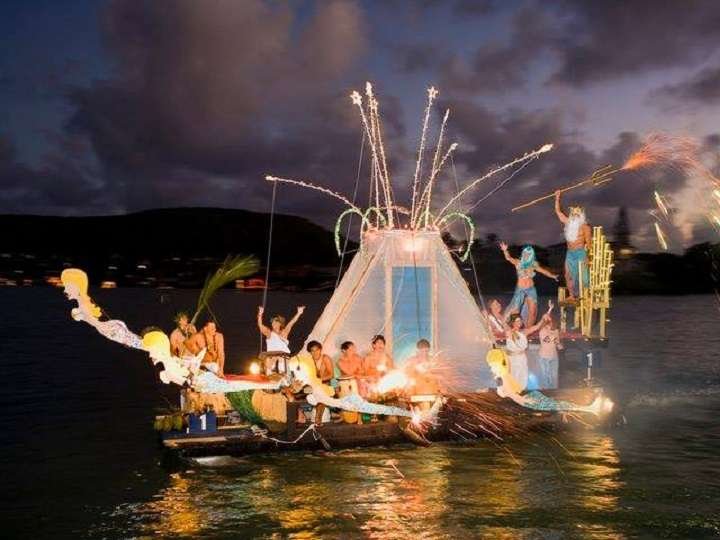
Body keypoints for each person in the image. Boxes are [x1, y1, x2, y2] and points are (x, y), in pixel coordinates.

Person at [486, 349, 611, 416]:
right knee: (558, 404)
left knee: (558, 405)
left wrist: (526, 402)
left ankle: (591, 408)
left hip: (530, 400)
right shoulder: (502, 376)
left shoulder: (504, 377)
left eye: (492, 365)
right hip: (529, 397)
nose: (491, 368)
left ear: (498, 364)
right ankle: (590, 408)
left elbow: (514, 396)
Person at [500, 242, 559, 326]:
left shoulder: (533, 265)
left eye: (529, 254)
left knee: (533, 312)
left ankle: (528, 330)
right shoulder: (518, 262)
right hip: (520, 290)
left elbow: (543, 271)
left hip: (531, 289)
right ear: (523, 254)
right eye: (525, 253)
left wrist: (553, 276)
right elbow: (508, 258)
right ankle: (513, 328)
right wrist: (505, 250)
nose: (526, 255)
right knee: (515, 312)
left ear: (531, 255)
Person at [555, 191, 592, 300]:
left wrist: (588, 257)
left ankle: (586, 295)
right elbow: (558, 212)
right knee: (568, 275)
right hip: (570, 253)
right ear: (571, 215)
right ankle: (571, 295)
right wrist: (557, 198)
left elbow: (589, 243)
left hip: (580, 252)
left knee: (584, 276)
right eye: (573, 214)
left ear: (581, 216)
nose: (575, 216)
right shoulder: (568, 223)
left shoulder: (585, 227)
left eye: (577, 214)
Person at [505, 311, 551, 392]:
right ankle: (512, 394)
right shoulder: (509, 332)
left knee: (522, 378)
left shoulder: (524, 332)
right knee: (513, 377)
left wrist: (544, 317)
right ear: (513, 322)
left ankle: (520, 392)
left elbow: (537, 327)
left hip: (522, 358)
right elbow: (505, 325)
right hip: (512, 359)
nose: (519, 322)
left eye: (520, 320)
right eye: (517, 321)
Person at [538, 314, 562, 389]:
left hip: (554, 357)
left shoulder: (556, 331)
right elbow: (546, 340)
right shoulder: (543, 330)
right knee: (546, 377)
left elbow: (557, 342)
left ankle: (554, 393)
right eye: (554, 322)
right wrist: (554, 336)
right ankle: (547, 393)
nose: (556, 324)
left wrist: (559, 345)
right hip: (544, 357)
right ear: (549, 322)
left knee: (554, 376)